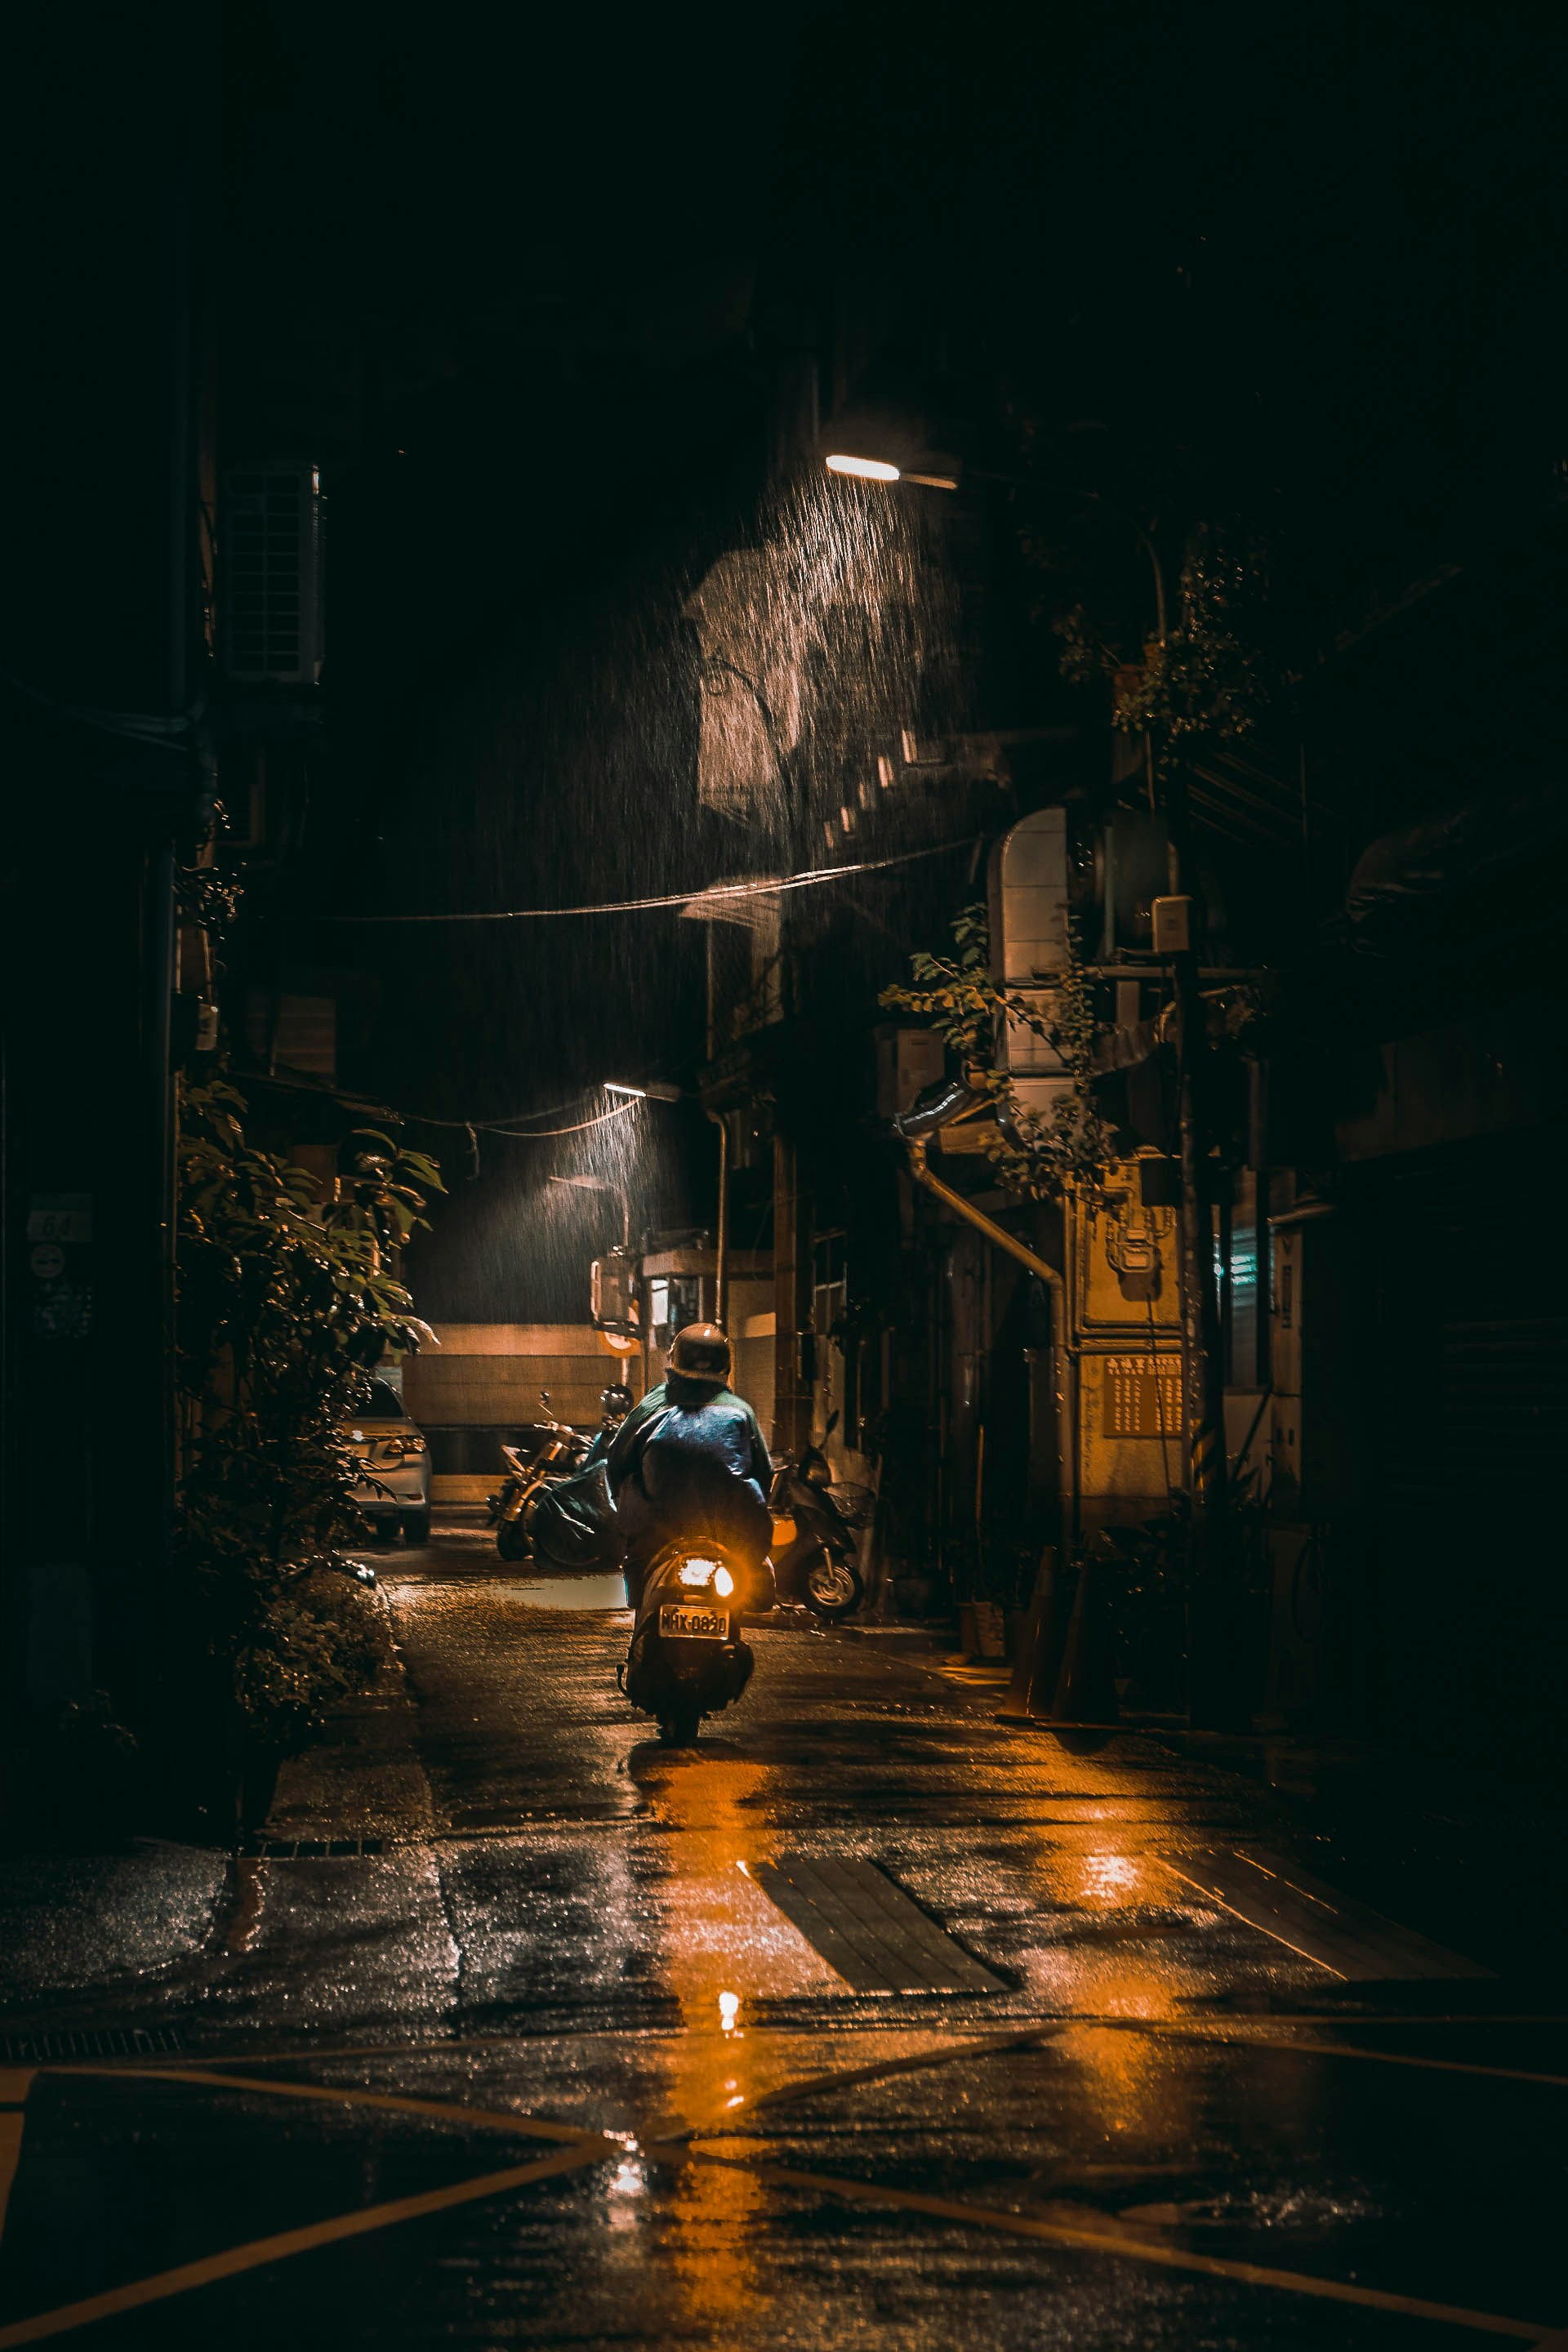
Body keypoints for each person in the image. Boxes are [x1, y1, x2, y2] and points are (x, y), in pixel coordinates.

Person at [604, 1324, 773, 1608]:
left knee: (636, 1568)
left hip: (656, 1534)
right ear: (726, 1365)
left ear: (674, 1361)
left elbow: (617, 1461)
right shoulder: (740, 1411)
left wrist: (622, 1503)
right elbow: (762, 1473)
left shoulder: (651, 1407)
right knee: (760, 1574)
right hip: (730, 1535)